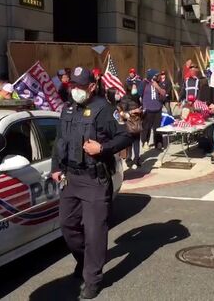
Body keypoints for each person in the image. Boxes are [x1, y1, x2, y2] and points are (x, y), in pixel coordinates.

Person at [51, 67, 132, 299]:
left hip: (95, 179)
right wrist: (55, 168)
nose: (75, 90)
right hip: (70, 178)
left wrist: (103, 148)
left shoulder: (104, 110)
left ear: (92, 87)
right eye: (72, 86)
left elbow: (126, 135)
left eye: (80, 86)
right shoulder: (67, 109)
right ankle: (85, 261)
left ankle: (93, 279)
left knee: (95, 232)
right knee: (67, 226)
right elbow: (59, 141)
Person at [141, 69, 167, 150]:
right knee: (146, 127)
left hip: (157, 108)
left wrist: (157, 87)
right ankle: (145, 142)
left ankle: (158, 143)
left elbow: (164, 93)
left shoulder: (159, 83)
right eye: (156, 75)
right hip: (148, 109)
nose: (157, 77)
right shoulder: (144, 83)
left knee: (157, 127)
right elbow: (138, 93)